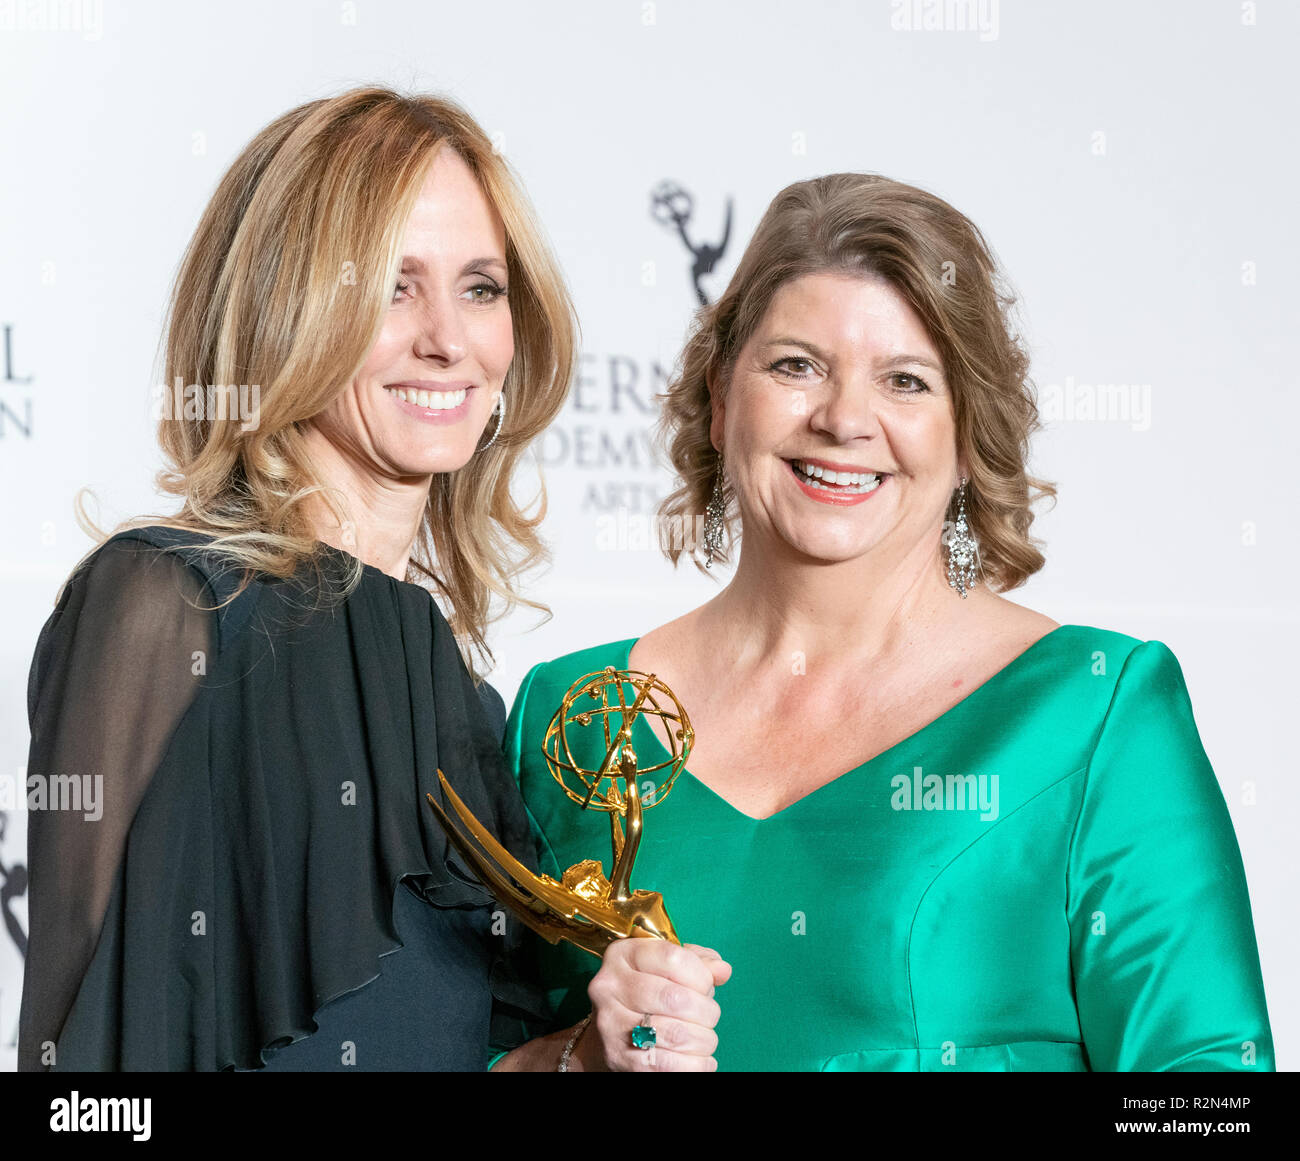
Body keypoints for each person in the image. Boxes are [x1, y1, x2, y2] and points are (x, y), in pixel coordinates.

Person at [19, 86, 724, 1073]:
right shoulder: (168, 606)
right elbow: (81, 1074)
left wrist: (578, 1061)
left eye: (481, 287)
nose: (448, 338)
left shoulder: (464, 703)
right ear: (282, 306)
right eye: (393, 285)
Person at [505, 173, 1276, 1071]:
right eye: (796, 366)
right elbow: (457, 1049)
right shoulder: (577, 715)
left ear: (966, 434)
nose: (842, 419)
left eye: (905, 381)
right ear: (721, 399)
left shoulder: (1096, 710)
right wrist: (573, 1060)